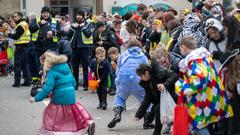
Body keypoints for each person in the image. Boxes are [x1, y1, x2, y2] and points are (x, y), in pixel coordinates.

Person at [175, 36, 233, 135]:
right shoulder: (203, 58)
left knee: (199, 126)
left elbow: (199, 79)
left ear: (183, 47)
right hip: (207, 97)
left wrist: (180, 86)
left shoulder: (195, 61)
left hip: (200, 101)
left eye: (180, 48)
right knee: (202, 127)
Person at [29, 51, 95, 135]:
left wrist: (35, 98)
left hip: (58, 98)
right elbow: (73, 82)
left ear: (47, 63)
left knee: (51, 115)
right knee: (74, 115)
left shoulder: (52, 72)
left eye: (42, 64)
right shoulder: (66, 66)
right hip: (71, 96)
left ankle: (48, 132)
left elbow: (47, 88)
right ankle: (87, 125)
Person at [107, 39, 148, 129]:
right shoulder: (142, 56)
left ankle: (117, 114)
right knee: (145, 99)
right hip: (137, 79)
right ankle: (147, 121)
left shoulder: (123, 55)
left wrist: (119, 80)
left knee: (120, 97)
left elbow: (118, 71)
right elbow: (147, 70)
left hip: (123, 78)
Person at [67, 9, 94, 91]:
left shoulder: (88, 24)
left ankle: (86, 85)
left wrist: (82, 27)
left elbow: (88, 35)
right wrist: (72, 28)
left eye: (80, 15)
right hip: (75, 48)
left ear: (83, 16)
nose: (78, 16)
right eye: (77, 15)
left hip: (85, 48)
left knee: (85, 67)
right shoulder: (74, 24)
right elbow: (68, 35)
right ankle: (75, 85)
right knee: (75, 68)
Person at [8, 12, 31, 87]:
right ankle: (27, 81)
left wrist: (8, 34)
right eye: (13, 17)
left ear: (20, 16)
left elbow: (16, 36)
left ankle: (17, 83)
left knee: (17, 65)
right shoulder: (23, 24)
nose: (14, 18)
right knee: (25, 65)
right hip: (25, 47)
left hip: (20, 48)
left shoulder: (21, 25)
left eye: (15, 17)